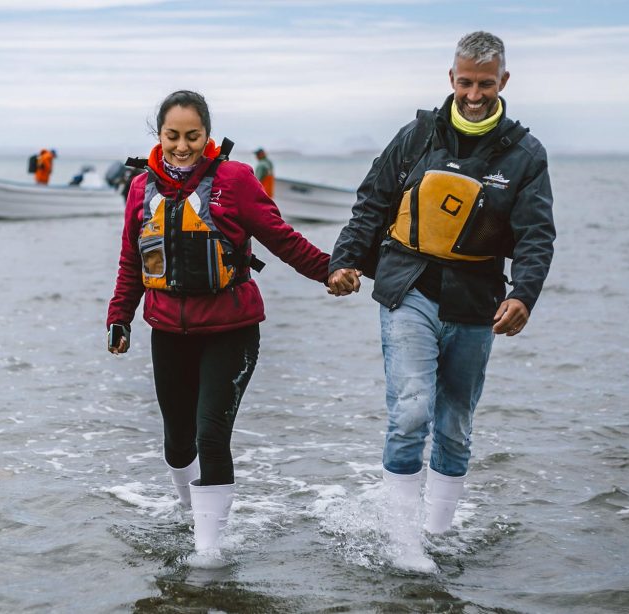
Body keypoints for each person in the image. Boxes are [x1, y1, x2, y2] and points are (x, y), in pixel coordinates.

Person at [328, 31, 556, 572]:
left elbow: (536, 236)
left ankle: (436, 535)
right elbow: (372, 201)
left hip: (476, 304)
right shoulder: (416, 136)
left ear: (503, 82)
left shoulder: (525, 154)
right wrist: (343, 260)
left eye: (484, 83)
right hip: (408, 290)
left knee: (454, 424)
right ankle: (403, 541)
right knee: (410, 413)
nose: (473, 93)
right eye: (464, 82)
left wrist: (524, 295)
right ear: (450, 79)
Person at [106, 90, 331, 567]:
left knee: (211, 435)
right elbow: (132, 260)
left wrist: (330, 271)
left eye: (193, 136)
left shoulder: (235, 180)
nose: (182, 146)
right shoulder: (140, 188)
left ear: (208, 135)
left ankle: (207, 555)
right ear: (159, 135)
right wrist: (119, 318)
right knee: (177, 438)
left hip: (232, 330)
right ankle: (191, 515)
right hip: (168, 332)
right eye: (173, 136)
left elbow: (282, 238)